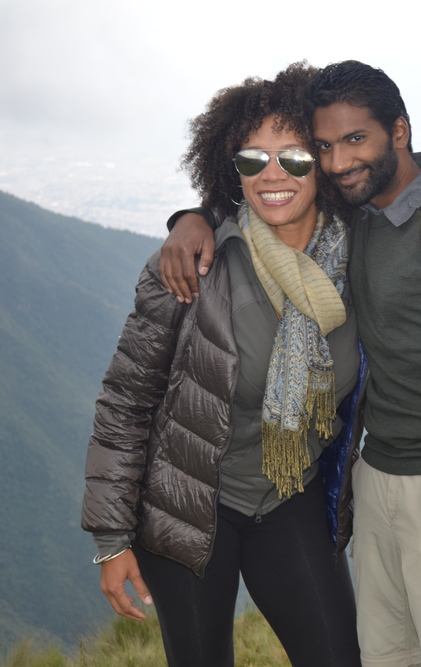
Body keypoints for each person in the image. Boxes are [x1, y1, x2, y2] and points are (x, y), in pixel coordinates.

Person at [161, 60, 421, 667]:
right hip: (374, 483)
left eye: (355, 140)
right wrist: (194, 218)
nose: (339, 162)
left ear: (400, 131)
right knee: (387, 655)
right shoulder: (355, 220)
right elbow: (262, 210)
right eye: (326, 147)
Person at [81, 63, 363, 667]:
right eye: (252, 159)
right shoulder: (193, 267)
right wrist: (110, 542)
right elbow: (125, 404)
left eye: (294, 156)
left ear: (324, 161)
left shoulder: (360, 261)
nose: (273, 175)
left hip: (289, 496)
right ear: (229, 169)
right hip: (188, 505)